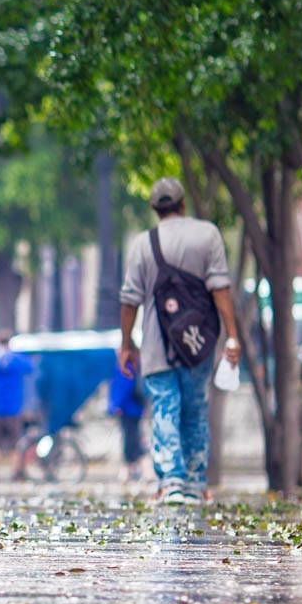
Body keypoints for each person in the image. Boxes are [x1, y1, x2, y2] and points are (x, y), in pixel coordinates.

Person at [118, 178, 242, 505]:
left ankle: (171, 482)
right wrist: (232, 336)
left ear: (154, 208)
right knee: (195, 409)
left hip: (156, 343)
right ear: (183, 203)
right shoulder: (208, 235)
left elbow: (129, 300)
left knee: (164, 408)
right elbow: (220, 288)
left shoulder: (142, 244)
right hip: (197, 342)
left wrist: (126, 344)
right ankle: (196, 484)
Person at [0, 331, 38, 481]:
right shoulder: (13, 359)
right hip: (11, 409)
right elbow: (29, 367)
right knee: (12, 444)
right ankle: (11, 472)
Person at [107, 367, 149, 486]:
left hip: (127, 408)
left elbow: (123, 386)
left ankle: (132, 468)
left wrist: (115, 405)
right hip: (134, 408)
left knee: (130, 439)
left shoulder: (125, 366)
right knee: (134, 437)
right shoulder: (134, 366)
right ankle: (135, 468)